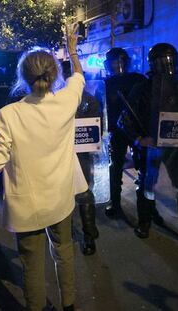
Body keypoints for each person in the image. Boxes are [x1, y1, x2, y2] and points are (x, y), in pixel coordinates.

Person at [0, 24, 85, 311]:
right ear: (55, 75)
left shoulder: (8, 115)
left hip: (27, 205)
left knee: (31, 265)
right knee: (64, 252)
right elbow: (78, 77)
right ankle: (68, 305)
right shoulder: (67, 102)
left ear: (23, 77)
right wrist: (73, 50)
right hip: (61, 198)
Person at [119, 43, 178, 253]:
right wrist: (139, 139)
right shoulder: (142, 88)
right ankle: (145, 221)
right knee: (147, 185)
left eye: (169, 60)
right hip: (151, 146)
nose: (167, 66)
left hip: (176, 146)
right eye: (162, 61)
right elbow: (124, 120)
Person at [99, 48, 163, 225]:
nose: (116, 65)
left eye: (118, 61)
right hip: (117, 131)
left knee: (145, 170)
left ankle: (149, 207)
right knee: (115, 167)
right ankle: (115, 203)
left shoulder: (139, 79)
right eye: (113, 61)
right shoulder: (106, 83)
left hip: (138, 130)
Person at [61, 60, 99, 256]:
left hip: (81, 155)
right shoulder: (55, 99)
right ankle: (64, 234)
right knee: (62, 195)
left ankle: (89, 234)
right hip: (59, 155)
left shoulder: (89, 100)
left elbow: (96, 129)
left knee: (84, 194)